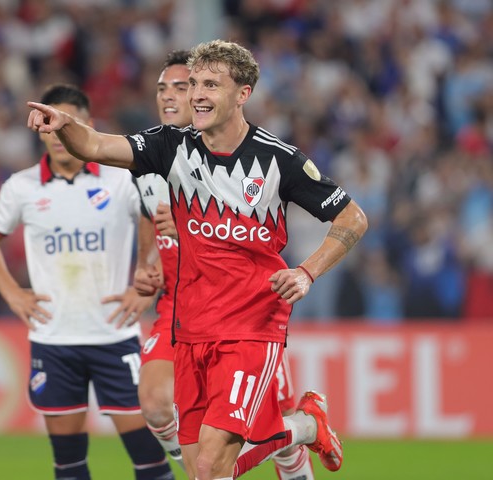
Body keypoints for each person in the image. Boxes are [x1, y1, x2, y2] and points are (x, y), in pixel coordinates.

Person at [27, 40, 368, 480]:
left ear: (243, 94)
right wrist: (64, 125)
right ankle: (303, 426)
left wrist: (307, 272)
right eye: (194, 85)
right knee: (202, 471)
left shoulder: (278, 159)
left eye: (211, 84)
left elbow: (352, 218)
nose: (198, 95)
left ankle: (300, 429)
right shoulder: (170, 145)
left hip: (251, 325)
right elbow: (94, 145)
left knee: (208, 466)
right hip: (189, 328)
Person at [0, 84, 174, 480]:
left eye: (66, 124)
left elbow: (153, 215)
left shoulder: (120, 179)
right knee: (68, 462)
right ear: (40, 129)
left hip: (114, 335)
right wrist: (12, 293)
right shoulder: (22, 187)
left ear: (87, 126)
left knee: (149, 457)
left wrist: (142, 279)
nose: (58, 134)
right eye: (49, 125)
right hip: (54, 340)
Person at [134, 50, 317, 480]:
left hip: (241, 310)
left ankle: (296, 445)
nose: (173, 96)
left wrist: (188, 227)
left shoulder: (231, 152)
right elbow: (145, 217)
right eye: (165, 88)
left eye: (185, 86)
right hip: (179, 310)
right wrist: (147, 261)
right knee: (156, 403)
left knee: (273, 417)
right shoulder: (148, 154)